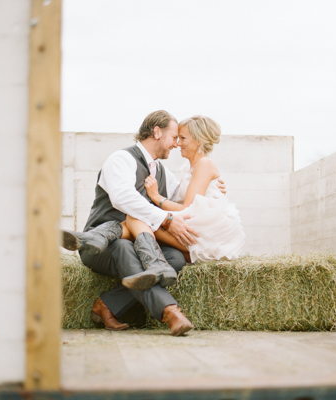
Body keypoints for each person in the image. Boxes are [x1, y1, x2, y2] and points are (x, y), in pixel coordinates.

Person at [63, 110, 224, 336]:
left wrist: (210, 186)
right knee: (123, 247)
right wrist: (166, 219)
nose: (176, 144)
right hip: (103, 245)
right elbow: (123, 198)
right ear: (157, 132)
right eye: (173, 137)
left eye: (180, 139)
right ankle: (170, 311)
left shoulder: (162, 172)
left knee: (175, 259)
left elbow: (185, 197)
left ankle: (106, 305)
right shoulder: (121, 159)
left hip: (140, 240)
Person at [120, 115, 245, 292]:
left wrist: (157, 198)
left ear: (199, 141)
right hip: (195, 229)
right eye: (177, 138)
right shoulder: (189, 168)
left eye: (183, 138)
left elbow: (188, 208)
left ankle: (103, 238)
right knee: (140, 223)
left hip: (203, 233)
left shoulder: (205, 164)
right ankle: (104, 238)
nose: (178, 144)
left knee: (137, 218)